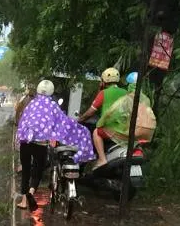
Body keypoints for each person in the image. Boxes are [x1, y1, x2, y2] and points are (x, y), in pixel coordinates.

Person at [15, 79, 96, 209]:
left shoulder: (31, 104)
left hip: (26, 142)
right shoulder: (53, 106)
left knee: (26, 170)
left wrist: (20, 139)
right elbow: (63, 122)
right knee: (37, 170)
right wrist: (80, 129)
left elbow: (22, 122)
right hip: (41, 144)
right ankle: (31, 192)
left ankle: (24, 201)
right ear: (51, 92)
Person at [78, 67, 126, 168]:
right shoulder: (125, 92)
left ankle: (102, 159)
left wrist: (80, 119)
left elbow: (90, 112)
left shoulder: (103, 93)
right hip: (125, 129)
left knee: (96, 132)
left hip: (110, 129)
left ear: (104, 81)